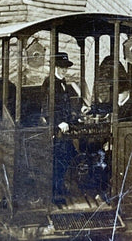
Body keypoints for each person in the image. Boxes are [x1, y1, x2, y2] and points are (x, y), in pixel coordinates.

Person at [41, 52, 80, 204]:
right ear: (56, 67)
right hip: (54, 129)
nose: (64, 70)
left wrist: (74, 116)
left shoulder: (63, 82)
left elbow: (65, 105)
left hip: (64, 127)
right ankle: (55, 193)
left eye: (66, 68)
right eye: (61, 67)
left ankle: (60, 186)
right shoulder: (49, 83)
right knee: (58, 159)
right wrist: (58, 122)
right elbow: (46, 108)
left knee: (68, 155)